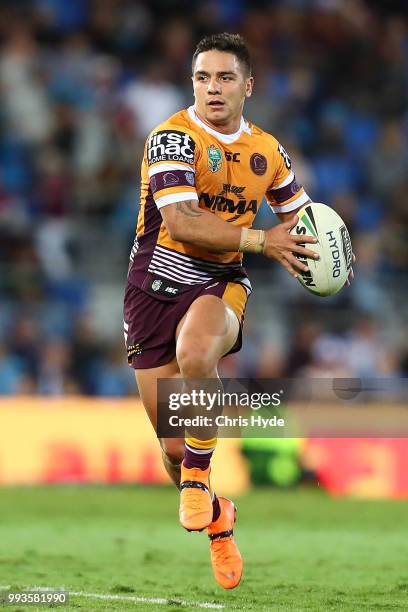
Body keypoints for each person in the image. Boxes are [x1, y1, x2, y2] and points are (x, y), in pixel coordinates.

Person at [123, 32, 352, 589]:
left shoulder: (268, 152)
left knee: (197, 349)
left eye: (225, 77)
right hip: (153, 288)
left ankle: (201, 478)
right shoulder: (172, 140)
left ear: (247, 85)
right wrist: (262, 240)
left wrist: (324, 257)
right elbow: (181, 224)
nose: (212, 88)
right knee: (173, 451)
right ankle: (219, 518)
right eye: (203, 77)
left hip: (222, 281)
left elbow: (303, 221)